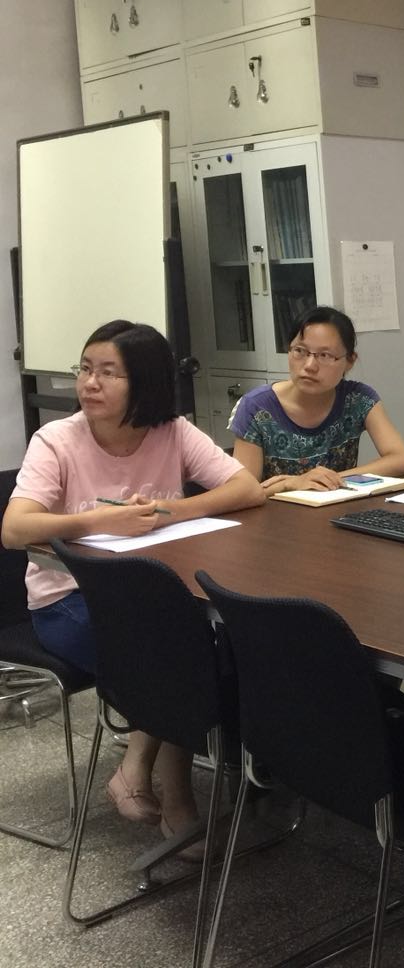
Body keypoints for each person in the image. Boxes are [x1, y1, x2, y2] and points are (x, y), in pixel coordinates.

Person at [1, 320, 264, 846]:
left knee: (206, 649)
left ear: (144, 383)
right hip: (68, 601)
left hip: (159, 596)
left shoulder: (171, 431)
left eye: (107, 373)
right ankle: (179, 802)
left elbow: (246, 488)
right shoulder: (57, 439)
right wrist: (99, 521)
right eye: (84, 369)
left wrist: (171, 510)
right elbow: (14, 529)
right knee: (179, 661)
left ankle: (137, 763)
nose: (88, 383)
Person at [230, 306, 404, 497]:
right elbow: (242, 493)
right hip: (278, 513)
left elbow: (401, 460)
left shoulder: (358, 398)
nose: (309, 366)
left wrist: (327, 479)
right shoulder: (256, 407)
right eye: (300, 351)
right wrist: (290, 484)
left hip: (341, 510)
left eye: (324, 355)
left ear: (350, 361)